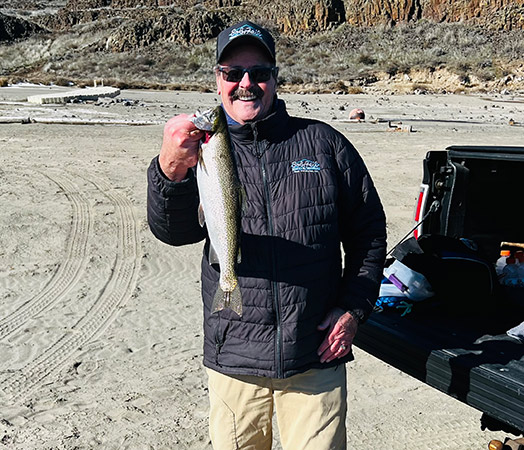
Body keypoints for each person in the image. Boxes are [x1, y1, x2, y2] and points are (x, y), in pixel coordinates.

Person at [147, 20, 387, 450]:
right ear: (217, 80)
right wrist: (169, 169)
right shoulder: (199, 148)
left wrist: (353, 308)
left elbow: (369, 233)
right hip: (234, 354)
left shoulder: (324, 144)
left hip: (315, 352)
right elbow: (174, 231)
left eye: (259, 73)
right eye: (232, 73)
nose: (246, 84)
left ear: (276, 78)